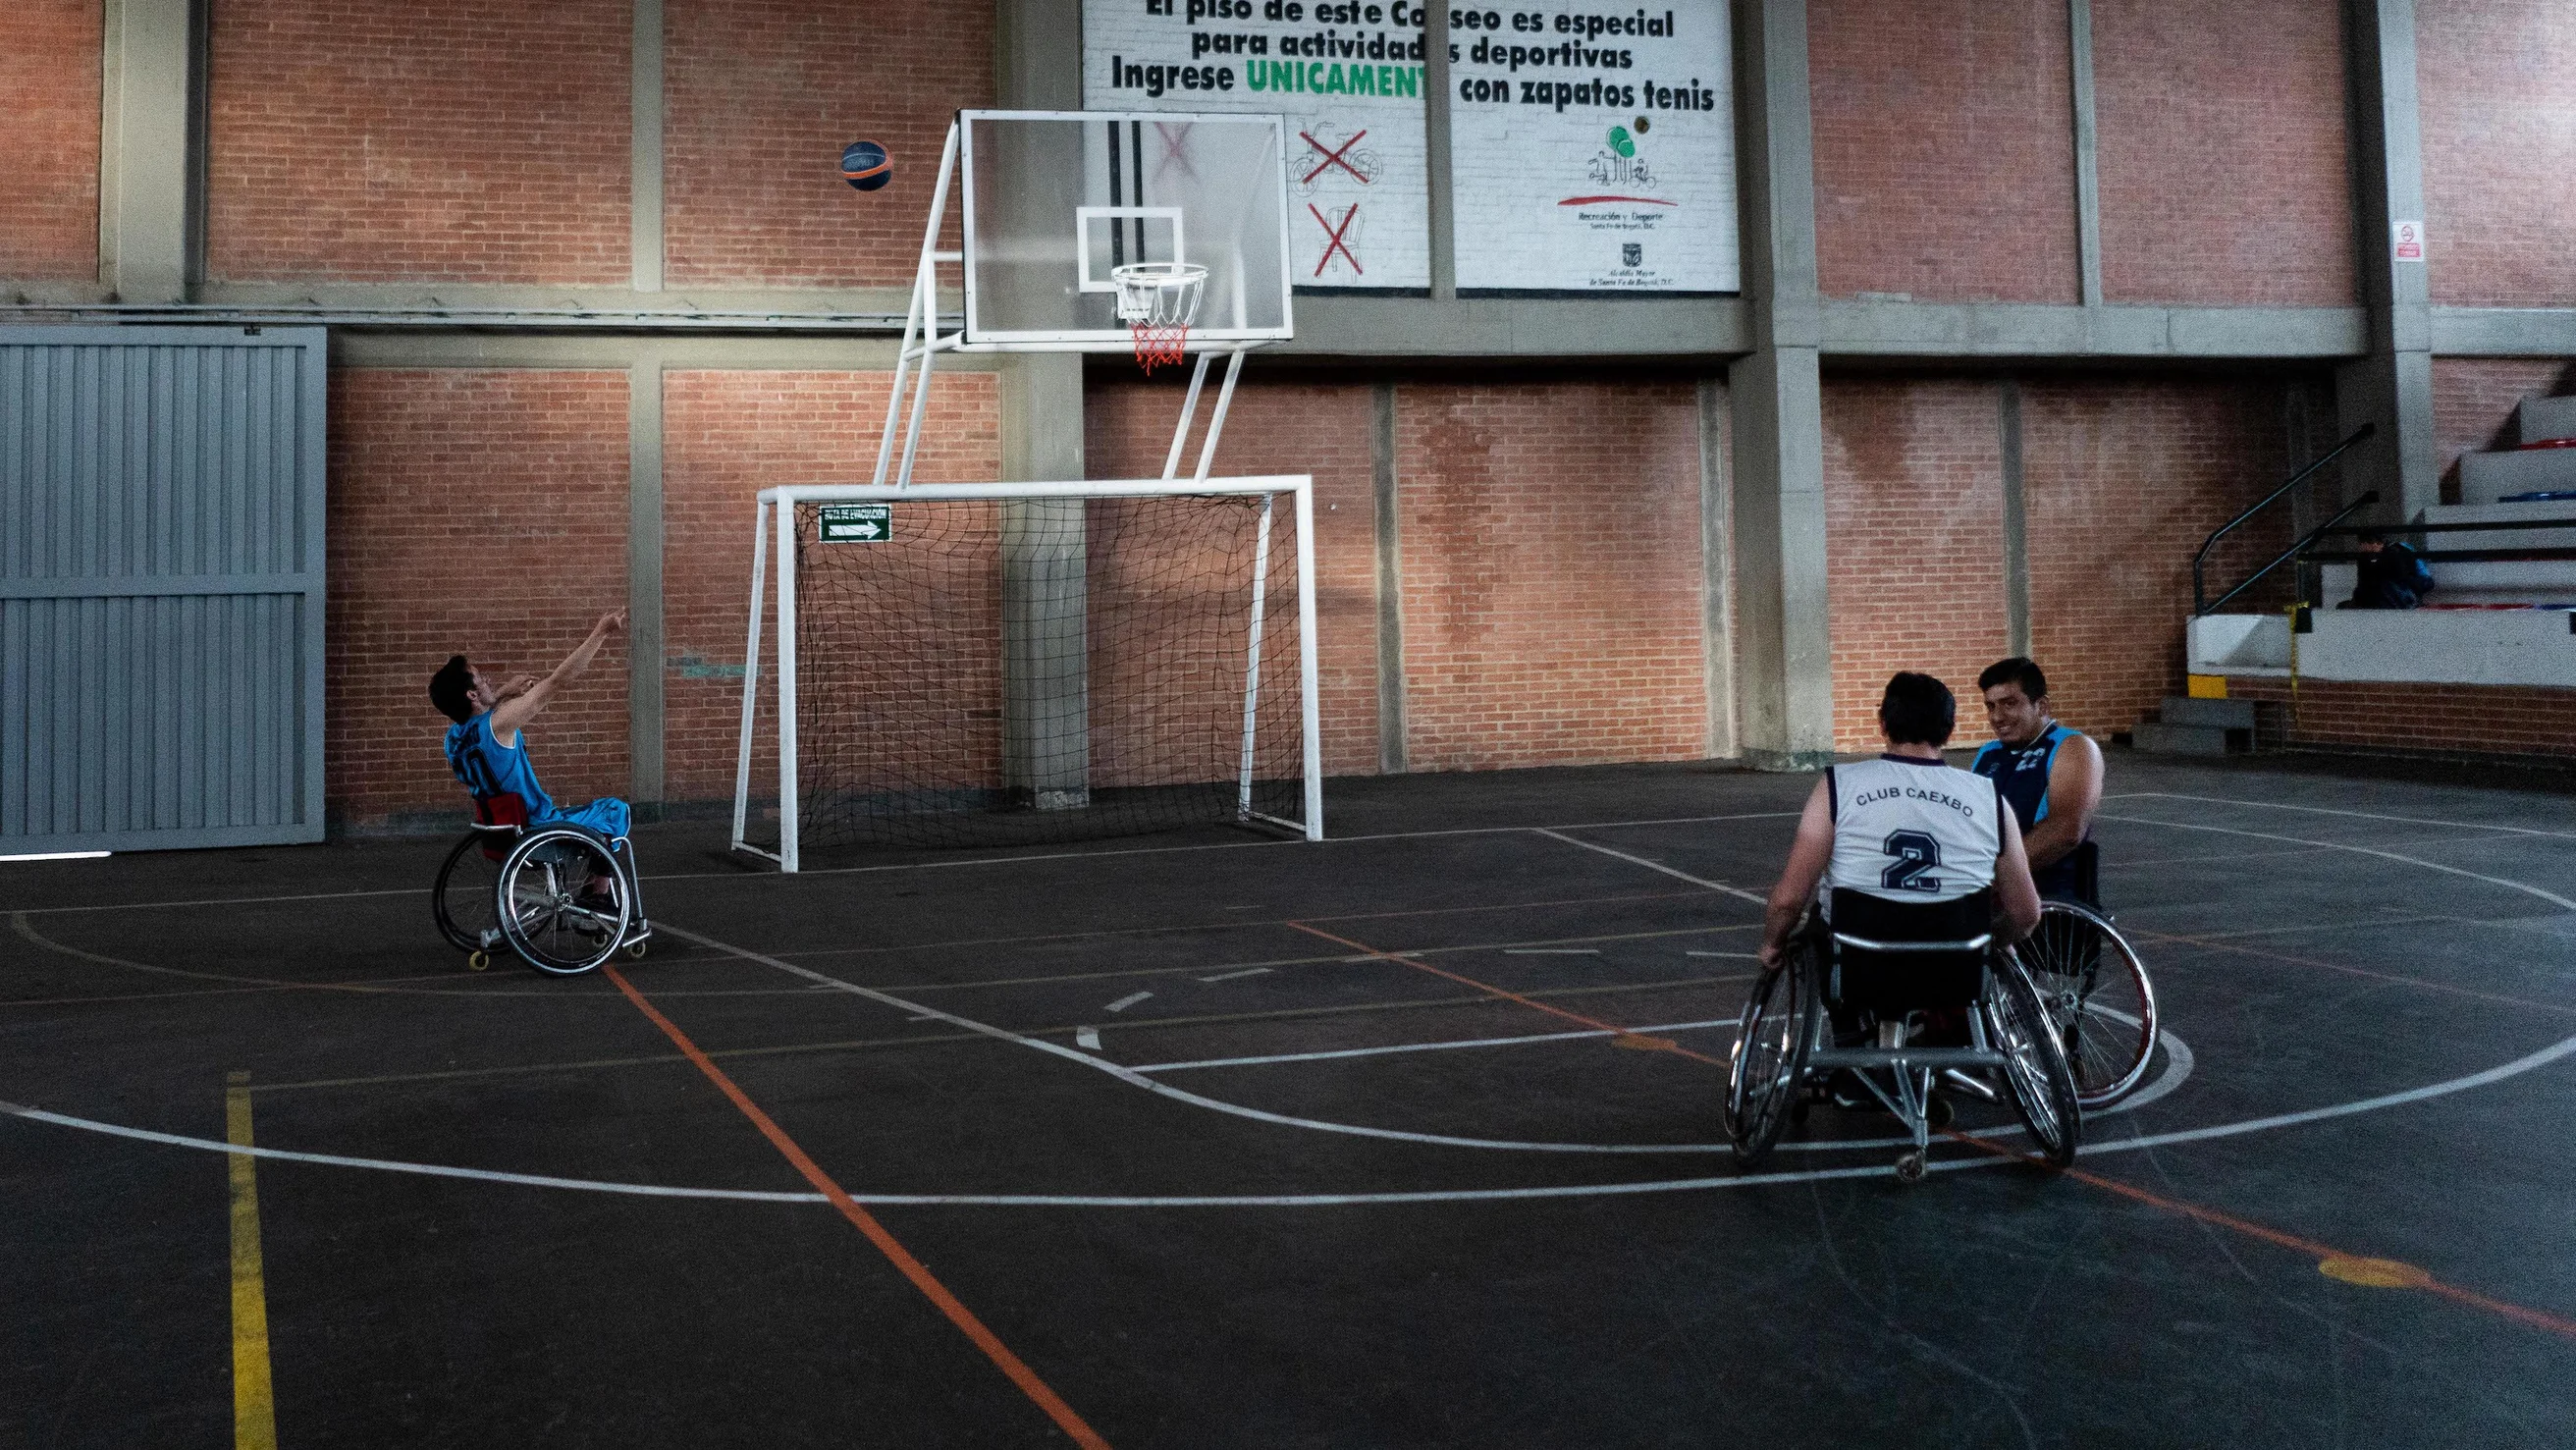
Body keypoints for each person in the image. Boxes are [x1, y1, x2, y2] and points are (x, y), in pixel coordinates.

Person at [1758, 671, 2043, 995]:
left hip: (1856, 964)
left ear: (1883, 724)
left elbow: (1789, 899)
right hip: (1955, 968)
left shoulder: (1838, 786)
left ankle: (1849, 1034)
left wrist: (1772, 944)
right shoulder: (1989, 798)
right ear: (1949, 730)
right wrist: (1990, 941)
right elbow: (2026, 913)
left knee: (1820, 922)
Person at [429, 610, 643, 924]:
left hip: (501, 831)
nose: (488, 679)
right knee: (616, 811)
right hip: (538, 828)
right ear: (472, 693)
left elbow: (479, 720)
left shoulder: (454, 739)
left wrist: (503, 694)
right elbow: (559, 680)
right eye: (480, 678)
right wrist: (601, 631)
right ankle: (596, 896)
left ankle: (591, 895)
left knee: (592, 815)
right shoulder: (499, 726)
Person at [1970, 658, 2104, 904]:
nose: (1997, 717)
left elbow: (2065, 830)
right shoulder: (1988, 754)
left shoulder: (2072, 747)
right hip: (1990, 883)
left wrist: (1994, 877)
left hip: (2046, 893)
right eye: (1990, 706)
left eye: (2009, 704)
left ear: (2041, 706)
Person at [2343, 529, 2434, 610]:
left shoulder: (2397, 552)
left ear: (2372, 544)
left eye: (2362, 544)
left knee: (2384, 583)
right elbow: (2363, 581)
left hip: (2412, 587)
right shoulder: (2367, 557)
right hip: (2395, 588)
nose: (2360, 548)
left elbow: (2403, 577)